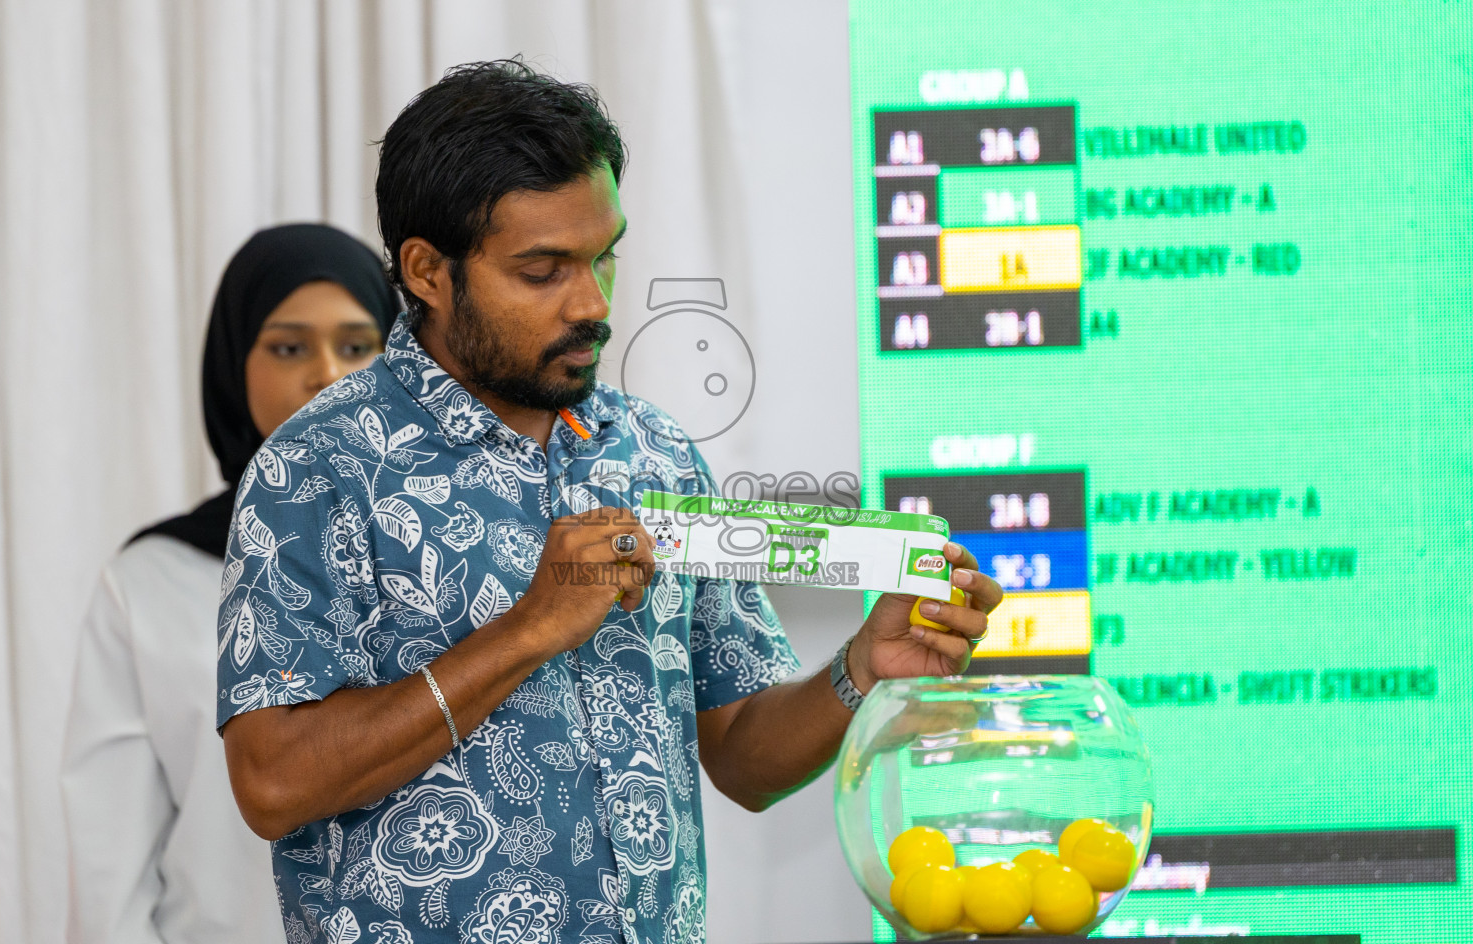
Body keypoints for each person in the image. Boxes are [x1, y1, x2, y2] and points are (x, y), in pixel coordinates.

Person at [216, 61, 1003, 944]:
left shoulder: (654, 449)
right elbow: (272, 784)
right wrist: (529, 629)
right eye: (542, 270)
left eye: (605, 256)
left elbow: (743, 753)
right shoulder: (314, 469)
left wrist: (861, 669)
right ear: (428, 271)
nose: (593, 302)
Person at [62, 224, 399, 944]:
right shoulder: (151, 582)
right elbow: (108, 874)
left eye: (357, 346)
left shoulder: (449, 562)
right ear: (233, 364)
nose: (327, 375)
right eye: (288, 348)